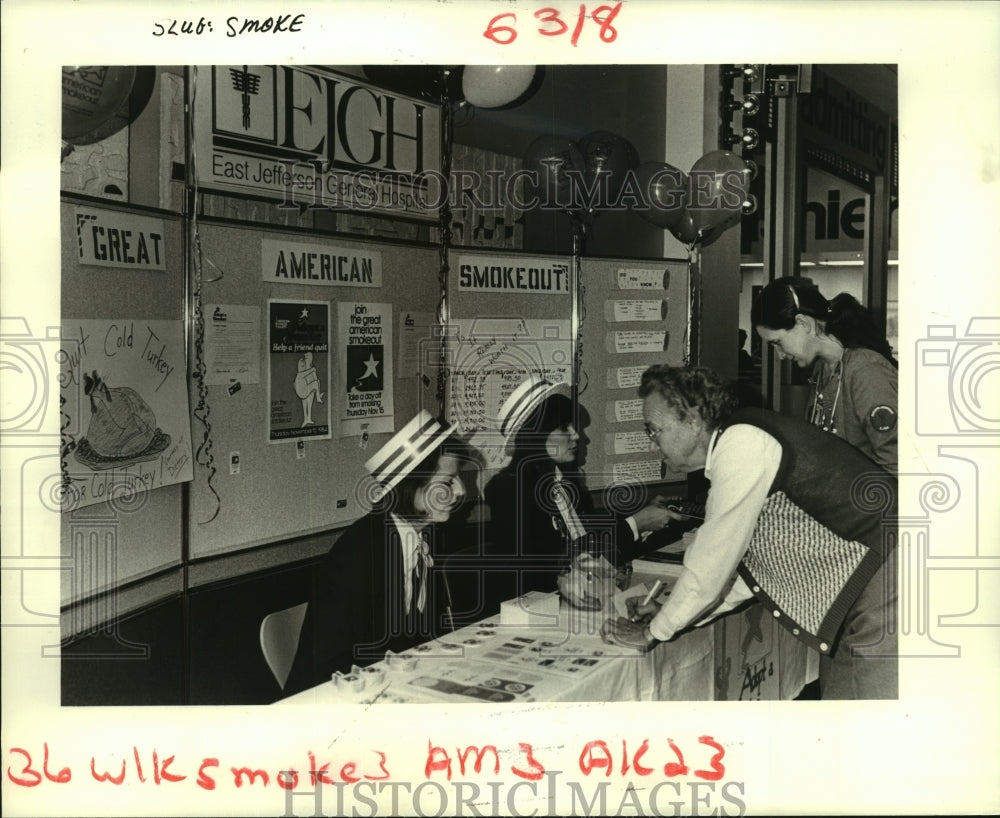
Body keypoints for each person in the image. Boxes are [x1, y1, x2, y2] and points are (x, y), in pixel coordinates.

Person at [602, 365, 897, 700]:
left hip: (888, 576)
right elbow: (749, 573)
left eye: (655, 430)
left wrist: (653, 632)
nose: (653, 442)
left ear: (693, 421)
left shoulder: (741, 445)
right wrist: (675, 617)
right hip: (877, 577)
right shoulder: (741, 437)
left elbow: (711, 565)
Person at [285, 410, 472, 694]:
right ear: (412, 485)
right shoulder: (361, 554)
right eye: (448, 481)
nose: (459, 492)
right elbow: (330, 665)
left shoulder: (423, 537)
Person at [483, 377, 677, 609]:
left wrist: (641, 515)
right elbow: (537, 564)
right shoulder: (508, 488)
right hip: (538, 608)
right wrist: (637, 524)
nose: (576, 435)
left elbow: (586, 538)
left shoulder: (564, 481)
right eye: (564, 427)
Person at [752, 276, 898, 471]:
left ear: (803, 323)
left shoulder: (867, 372)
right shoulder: (822, 370)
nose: (780, 355)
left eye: (778, 343)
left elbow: (896, 463)